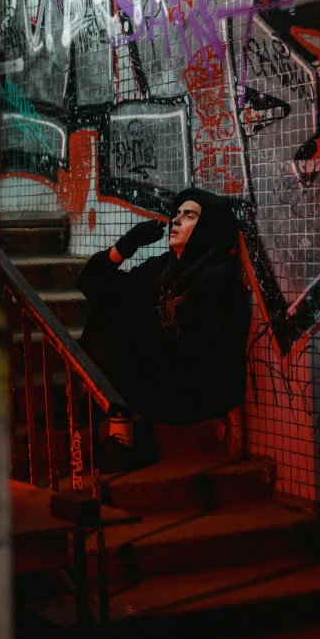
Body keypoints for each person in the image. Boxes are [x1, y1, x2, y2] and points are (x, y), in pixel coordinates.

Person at [76, 188, 251, 473]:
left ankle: (123, 437)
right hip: (157, 378)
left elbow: (205, 354)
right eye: (177, 214)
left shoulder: (219, 280)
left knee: (118, 320)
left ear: (206, 227)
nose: (176, 221)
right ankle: (119, 428)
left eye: (189, 215)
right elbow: (92, 285)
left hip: (193, 390)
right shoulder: (160, 269)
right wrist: (126, 246)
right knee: (105, 313)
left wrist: (145, 342)